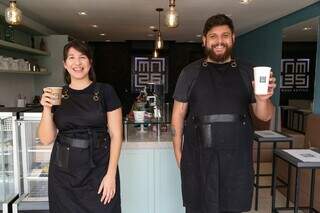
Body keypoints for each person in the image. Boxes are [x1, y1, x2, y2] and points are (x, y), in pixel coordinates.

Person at [171, 14, 276, 213]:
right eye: (213, 36)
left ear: (233, 38)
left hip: (237, 162)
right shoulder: (189, 73)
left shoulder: (249, 71)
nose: (219, 41)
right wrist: (178, 154)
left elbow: (265, 116)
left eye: (225, 35)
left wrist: (264, 99)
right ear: (204, 40)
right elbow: (178, 115)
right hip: (198, 160)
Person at [38, 40, 122, 213]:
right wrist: (46, 108)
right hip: (64, 175)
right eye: (71, 58)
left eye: (82, 57)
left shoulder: (105, 91)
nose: (77, 63)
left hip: (99, 169)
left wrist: (111, 174)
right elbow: (46, 139)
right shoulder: (58, 95)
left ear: (90, 62)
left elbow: (116, 135)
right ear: (65, 64)